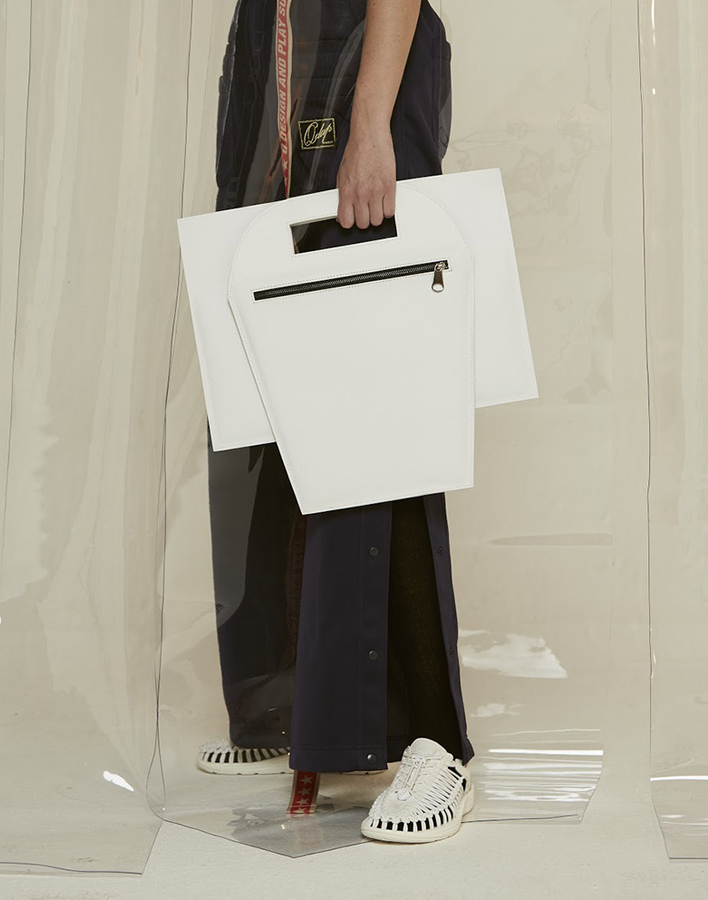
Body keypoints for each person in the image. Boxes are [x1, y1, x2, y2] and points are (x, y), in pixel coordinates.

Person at [197, 0, 476, 844]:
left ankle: (435, 739)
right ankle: (291, 702)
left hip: (358, 52)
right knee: (269, 375)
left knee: (374, 398)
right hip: (278, 44)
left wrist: (369, 121)